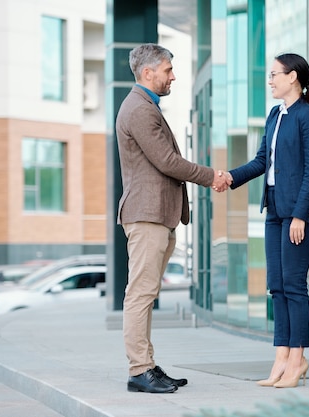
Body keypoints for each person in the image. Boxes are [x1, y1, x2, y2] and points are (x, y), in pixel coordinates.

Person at [116, 43, 230, 394]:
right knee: (140, 294)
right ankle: (139, 369)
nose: (173, 76)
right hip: (147, 216)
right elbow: (167, 161)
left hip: (157, 216)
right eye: (167, 70)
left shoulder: (145, 106)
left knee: (147, 293)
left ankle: (147, 365)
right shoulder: (139, 108)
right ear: (148, 72)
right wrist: (212, 175)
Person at [221, 53, 309, 388]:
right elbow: (261, 161)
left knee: (295, 287)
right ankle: (281, 356)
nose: (270, 81)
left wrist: (300, 215)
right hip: (274, 212)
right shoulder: (273, 115)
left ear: (293, 76)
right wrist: (228, 177)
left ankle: (298, 359)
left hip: (299, 214)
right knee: (277, 286)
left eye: (274, 75)